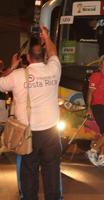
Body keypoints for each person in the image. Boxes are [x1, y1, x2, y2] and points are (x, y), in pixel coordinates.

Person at [0, 26, 63, 200]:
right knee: (52, 172)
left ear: (27, 58)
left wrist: (11, 67)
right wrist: (47, 36)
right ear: (44, 57)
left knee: (29, 173)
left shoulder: (18, 75)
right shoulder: (54, 70)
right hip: (51, 132)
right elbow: (53, 52)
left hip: (28, 134)